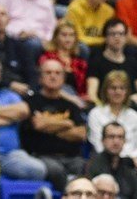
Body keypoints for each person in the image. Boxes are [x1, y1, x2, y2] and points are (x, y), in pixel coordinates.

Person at [17, 59, 88, 189]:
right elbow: (38, 125)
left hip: (72, 157)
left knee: (86, 167)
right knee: (57, 170)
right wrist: (67, 123)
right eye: (48, 72)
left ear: (63, 78)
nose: (53, 76)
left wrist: (48, 125)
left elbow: (81, 134)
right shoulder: (30, 102)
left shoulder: (71, 105)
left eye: (57, 73)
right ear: (40, 78)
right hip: (42, 157)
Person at [86, 18, 137, 104]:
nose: (117, 37)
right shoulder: (96, 61)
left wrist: (135, 98)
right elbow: (92, 95)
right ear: (105, 37)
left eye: (121, 34)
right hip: (104, 109)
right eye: (113, 34)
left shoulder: (132, 62)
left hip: (130, 109)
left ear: (126, 37)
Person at [85, 122, 137, 199]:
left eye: (120, 137)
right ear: (102, 140)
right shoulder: (92, 165)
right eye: (111, 137)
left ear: (124, 141)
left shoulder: (129, 169)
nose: (116, 141)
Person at [87, 70, 137, 159]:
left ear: (127, 92)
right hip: (104, 161)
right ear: (105, 91)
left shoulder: (134, 116)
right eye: (113, 88)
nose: (118, 92)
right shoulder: (95, 114)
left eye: (122, 88)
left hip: (130, 162)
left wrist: (128, 159)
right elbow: (98, 145)